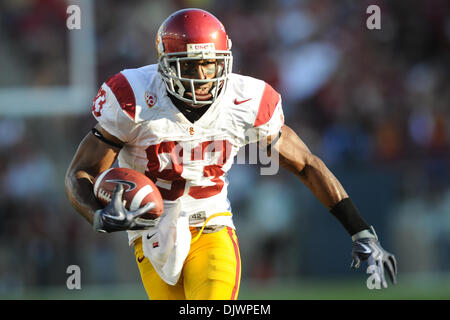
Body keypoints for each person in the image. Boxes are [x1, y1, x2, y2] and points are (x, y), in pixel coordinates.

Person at [65, 8, 397, 300]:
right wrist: (96, 214)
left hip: (211, 224)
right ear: (164, 64)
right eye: (190, 66)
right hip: (150, 230)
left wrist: (359, 229)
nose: (202, 78)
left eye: (209, 65)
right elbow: (81, 172)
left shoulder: (247, 100)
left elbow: (306, 164)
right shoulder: (134, 97)